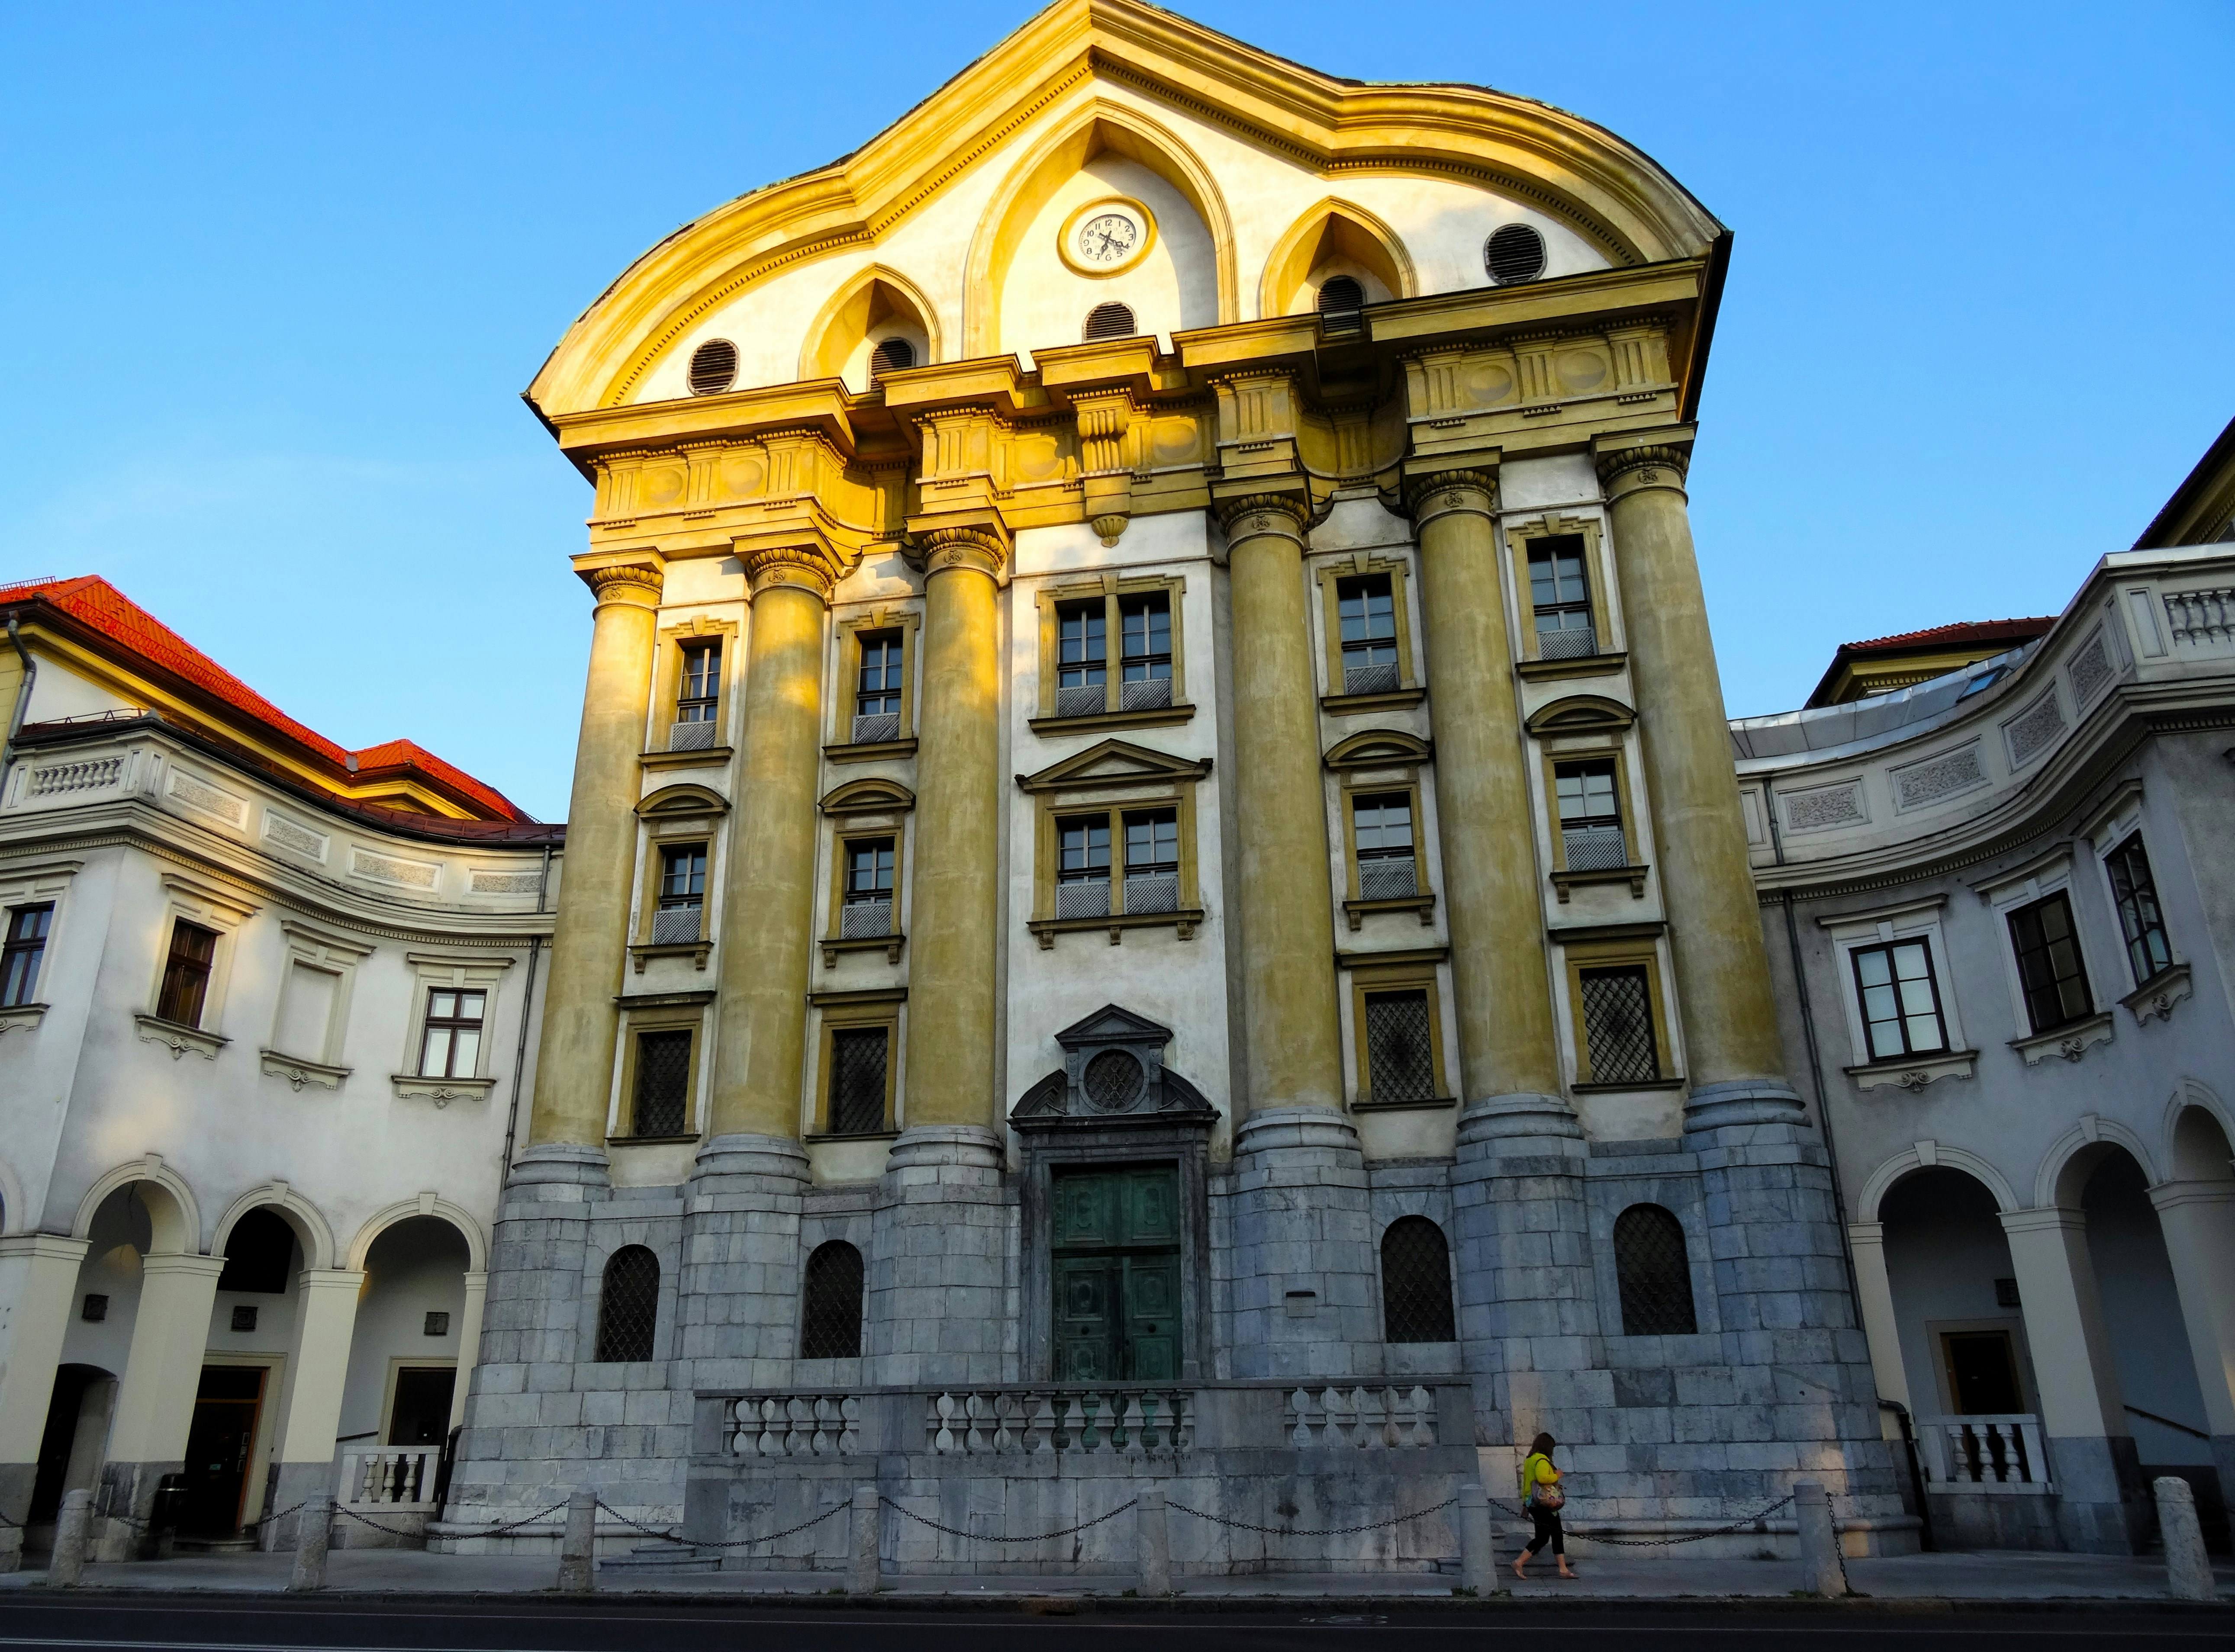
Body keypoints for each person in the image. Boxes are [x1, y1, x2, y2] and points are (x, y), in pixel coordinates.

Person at [1513, 1432, 1574, 1580]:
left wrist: (1525, 1505)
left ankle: (1563, 1568)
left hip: (1534, 1502)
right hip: (1544, 1503)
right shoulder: (1542, 1460)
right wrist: (1557, 1475)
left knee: (1549, 1535)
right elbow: (1542, 1478)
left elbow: (1527, 1484)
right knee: (1548, 1536)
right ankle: (1519, 1562)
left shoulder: (1530, 1460)